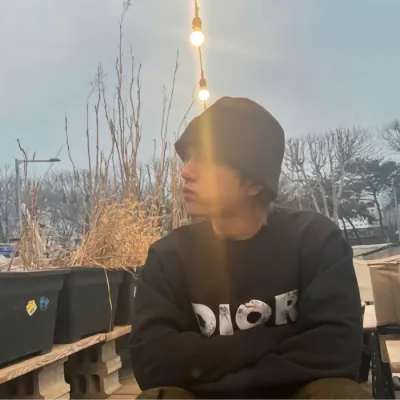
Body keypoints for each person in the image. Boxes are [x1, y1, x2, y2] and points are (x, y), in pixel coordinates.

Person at [129, 97, 370, 399]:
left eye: (206, 160)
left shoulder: (315, 240)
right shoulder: (169, 256)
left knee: (340, 394)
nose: (186, 172)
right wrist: (274, 339)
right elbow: (152, 363)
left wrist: (210, 362)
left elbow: (338, 352)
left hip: (293, 394)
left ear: (254, 183)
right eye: (188, 158)